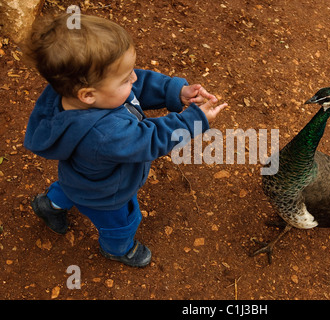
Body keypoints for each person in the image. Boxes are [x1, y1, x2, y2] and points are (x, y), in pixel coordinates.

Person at [23, 13, 226, 267]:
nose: (134, 79)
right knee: (123, 222)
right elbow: (151, 138)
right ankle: (118, 249)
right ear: (88, 94)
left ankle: (48, 204)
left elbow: (137, 87)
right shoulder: (105, 134)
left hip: (80, 178)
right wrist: (195, 119)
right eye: (125, 78)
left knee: (70, 187)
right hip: (107, 194)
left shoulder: (74, 91)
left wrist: (175, 92)